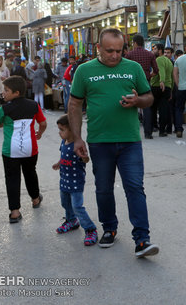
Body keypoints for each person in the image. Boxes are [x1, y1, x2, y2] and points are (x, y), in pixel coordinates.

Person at [68, 28, 159, 258]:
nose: (115, 55)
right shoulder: (85, 71)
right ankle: (109, 228)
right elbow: (74, 105)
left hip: (130, 141)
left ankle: (142, 239)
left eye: (119, 51)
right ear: (98, 48)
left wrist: (138, 100)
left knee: (135, 188)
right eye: (109, 51)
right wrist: (77, 137)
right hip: (100, 142)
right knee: (103, 189)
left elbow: (149, 97)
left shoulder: (133, 68)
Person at [0, 75, 46, 223]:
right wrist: (39, 134)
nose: (4, 93)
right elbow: (43, 123)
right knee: (30, 173)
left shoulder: (4, 108)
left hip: (10, 151)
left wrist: (7, 124)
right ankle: (35, 199)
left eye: (7, 90)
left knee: (12, 178)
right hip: (30, 148)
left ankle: (15, 212)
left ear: (16, 93)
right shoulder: (34, 105)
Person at [52, 115, 98, 246]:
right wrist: (59, 163)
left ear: (72, 130)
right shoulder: (64, 142)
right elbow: (63, 156)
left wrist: (84, 157)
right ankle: (71, 220)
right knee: (65, 203)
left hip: (76, 182)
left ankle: (90, 229)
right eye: (59, 129)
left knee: (77, 206)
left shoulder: (77, 145)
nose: (59, 132)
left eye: (62, 130)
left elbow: (85, 160)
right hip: (64, 181)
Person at [126, 34, 159, 139]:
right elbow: (156, 70)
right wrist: (149, 75)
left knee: (131, 106)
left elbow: (124, 68)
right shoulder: (149, 54)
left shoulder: (129, 55)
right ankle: (148, 133)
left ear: (135, 43)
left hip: (132, 83)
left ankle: (131, 132)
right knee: (147, 107)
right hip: (145, 82)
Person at [150, 43, 174, 137]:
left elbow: (161, 71)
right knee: (164, 109)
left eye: (154, 48)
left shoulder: (159, 59)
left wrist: (161, 81)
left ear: (159, 50)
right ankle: (163, 130)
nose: (153, 51)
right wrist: (171, 89)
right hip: (167, 87)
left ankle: (153, 127)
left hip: (158, 86)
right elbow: (171, 77)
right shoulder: (169, 61)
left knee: (153, 108)